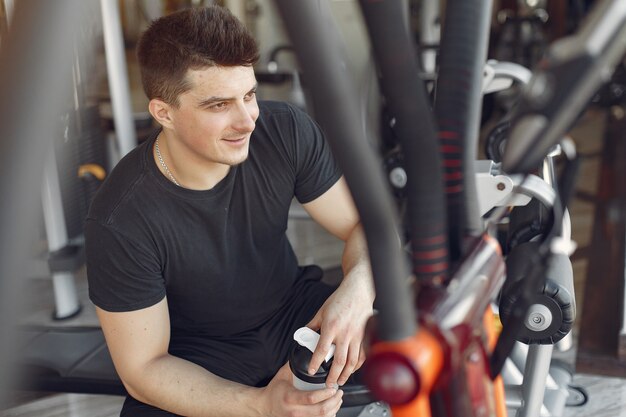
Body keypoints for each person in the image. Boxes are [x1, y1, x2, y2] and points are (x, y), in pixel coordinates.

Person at [85, 5, 375, 417]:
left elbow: (367, 226)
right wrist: (259, 405)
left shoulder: (285, 132)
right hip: (199, 354)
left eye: (250, 95)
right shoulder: (120, 219)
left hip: (296, 316)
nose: (248, 120)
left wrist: (358, 290)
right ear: (163, 113)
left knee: (417, 357)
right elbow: (143, 368)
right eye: (219, 105)